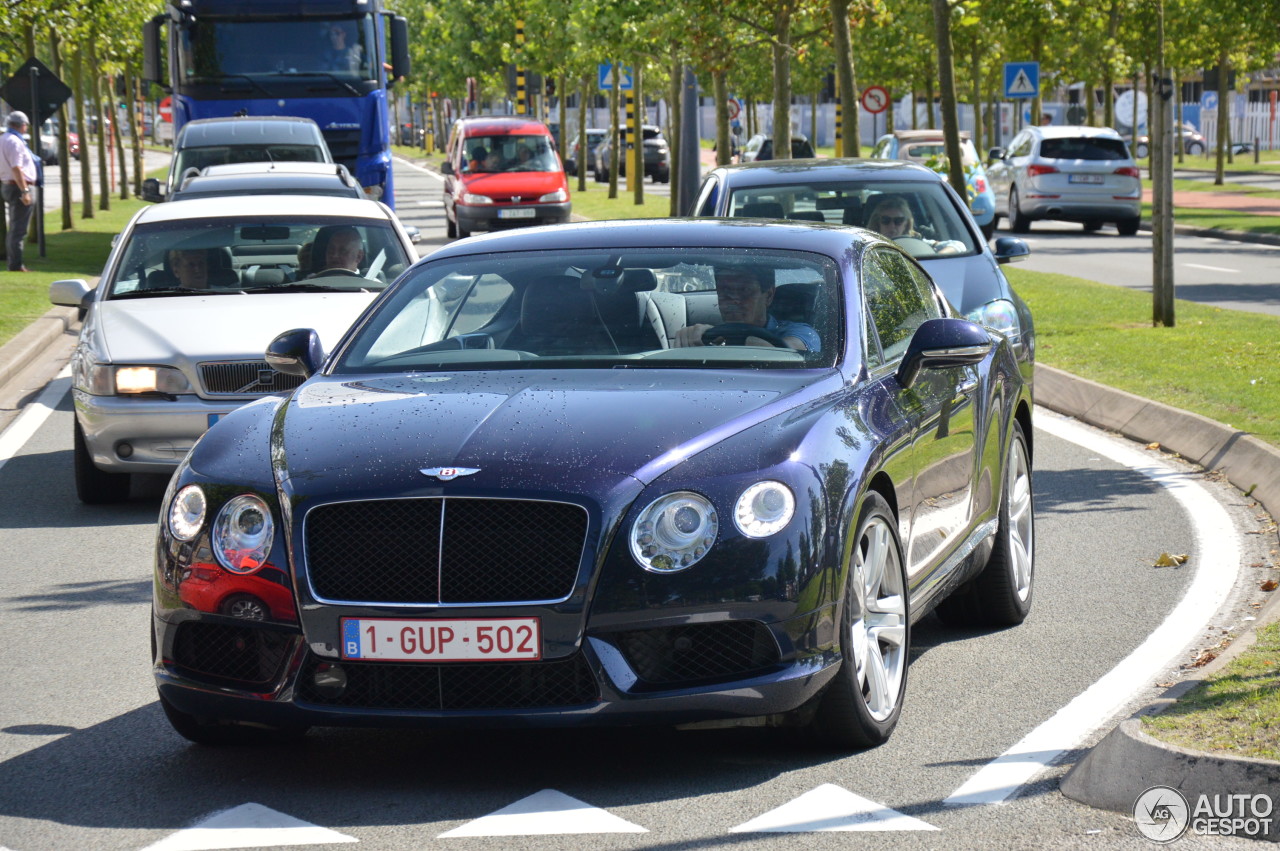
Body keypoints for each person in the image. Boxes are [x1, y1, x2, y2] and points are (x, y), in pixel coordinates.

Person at [673, 266, 819, 352]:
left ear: (768, 295)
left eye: (744, 291)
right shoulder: (710, 337)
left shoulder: (801, 332)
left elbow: (790, 352)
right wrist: (693, 338)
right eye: (724, 291)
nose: (733, 300)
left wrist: (728, 338)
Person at [0, 111, 37, 272]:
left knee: (15, 227)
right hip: (18, 186)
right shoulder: (15, 142)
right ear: (21, 125)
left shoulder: (3, 139)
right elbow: (17, 167)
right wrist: (25, 190)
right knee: (18, 229)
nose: (27, 128)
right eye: (26, 125)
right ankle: (15, 265)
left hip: (8, 185)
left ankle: (14, 262)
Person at [865, 194, 963, 255]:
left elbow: (958, 245)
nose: (892, 226)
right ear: (878, 222)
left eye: (898, 221)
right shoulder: (867, 243)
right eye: (886, 220)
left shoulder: (918, 242)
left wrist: (935, 255)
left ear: (906, 223)